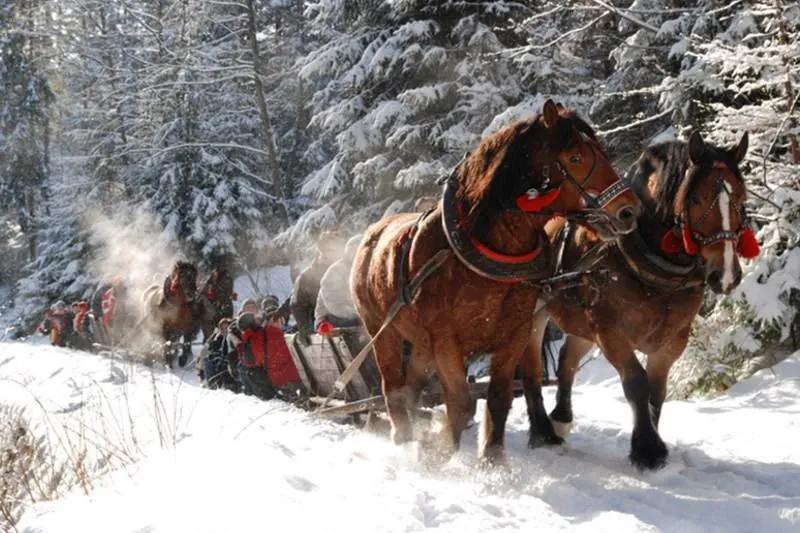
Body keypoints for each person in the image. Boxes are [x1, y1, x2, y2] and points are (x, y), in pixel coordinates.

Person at [235, 311, 304, 402]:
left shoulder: (248, 341)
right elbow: (285, 338)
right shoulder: (269, 330)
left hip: (275, 378)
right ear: (254, 322)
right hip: (294, 372)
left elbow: (249, 363)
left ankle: (274, 397)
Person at [289, 230, 341, 346]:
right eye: (326, 250)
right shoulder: (308, 277)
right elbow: (297, 305)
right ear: (319, 252)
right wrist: (305, 329)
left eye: (332, 250)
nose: (329, 254)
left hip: (345, 322)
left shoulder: (344, 271)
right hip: (321, 326)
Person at [227, 298, 260, 395]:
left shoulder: (261, 322)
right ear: (243, 309)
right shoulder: (235, 327)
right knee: (244, 364)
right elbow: (234, 350)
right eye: (248, 307)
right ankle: (249, 390)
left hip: (261, 355)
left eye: (253, 307)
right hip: (241, 358)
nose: (250, 309)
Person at [201, 317, 238, 391]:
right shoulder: (216, 340)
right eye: (223, 328)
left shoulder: (232, 338)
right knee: (207, 360)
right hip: (219, 362)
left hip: (230, 361)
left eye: (227, 328)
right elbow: (211, 351)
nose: (225, 330)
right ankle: (211, 383)